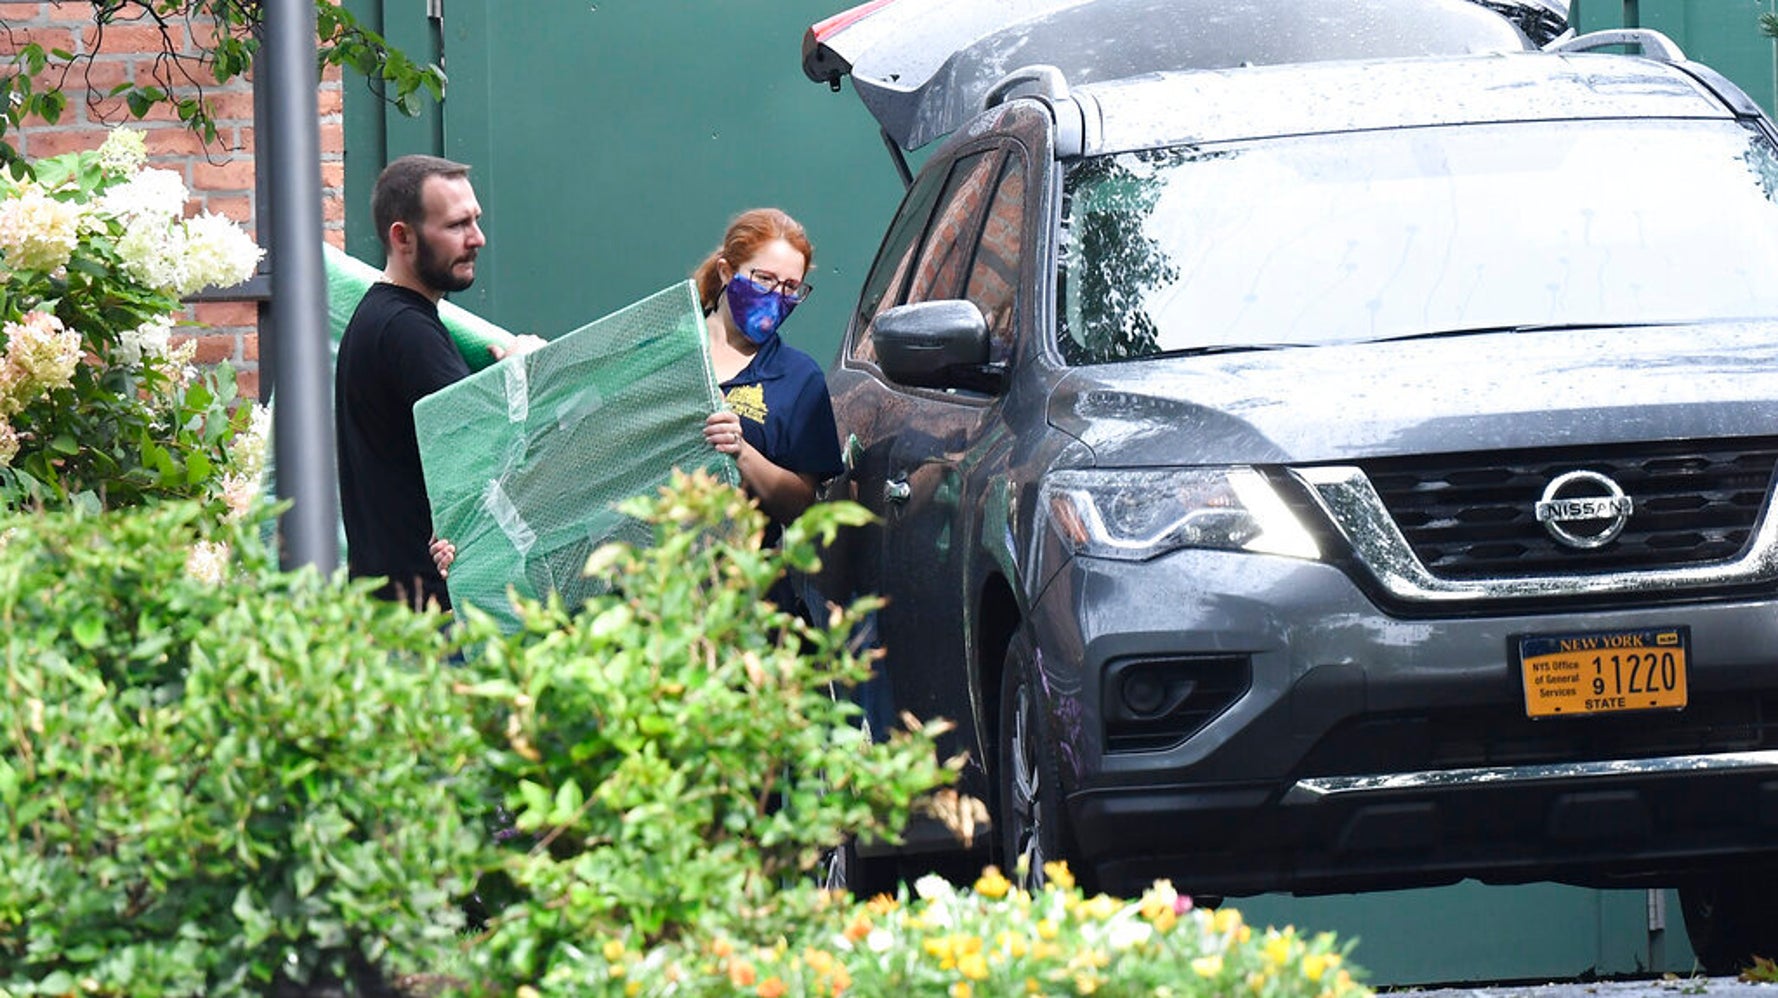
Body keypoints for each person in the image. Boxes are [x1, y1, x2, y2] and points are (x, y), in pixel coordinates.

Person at [431, 208, 843, 606]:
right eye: (764, 279)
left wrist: (743, 453)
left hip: (729, 597)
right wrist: (466, 540)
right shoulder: (657, 343)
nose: (776, 297)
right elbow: (565, 448)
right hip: (623, 590)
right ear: (725, 272)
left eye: (791, 288)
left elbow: (803, 505)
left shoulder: (797, 379)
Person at [335, 154, 542, 611]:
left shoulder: (384, 318)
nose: (477, 238)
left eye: (476, 220)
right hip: (426, 617)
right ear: (402, 236)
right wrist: (521, 371)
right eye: (456, 226)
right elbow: (491, 453)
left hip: (393, 606)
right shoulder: (408, 333)